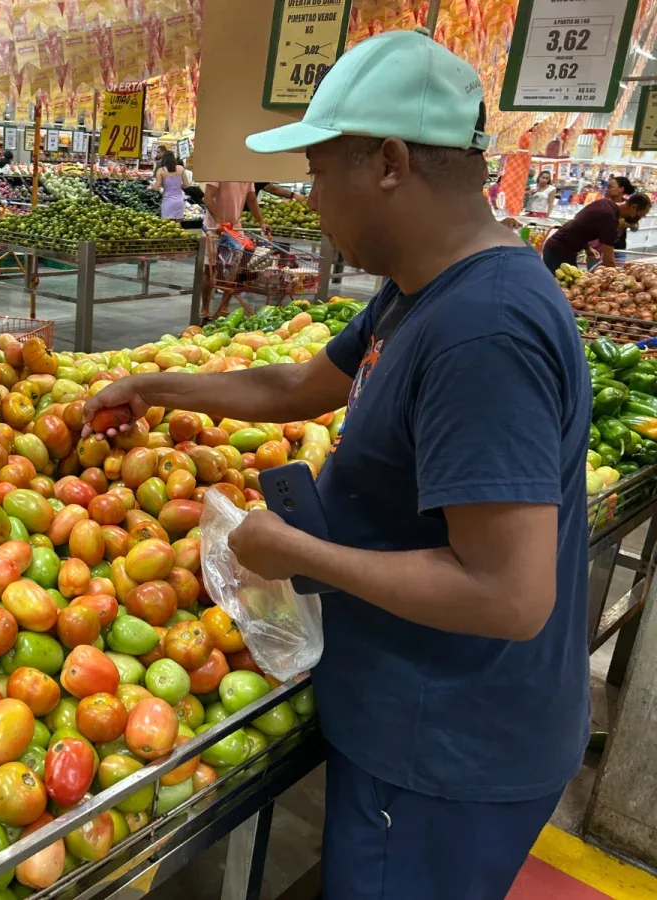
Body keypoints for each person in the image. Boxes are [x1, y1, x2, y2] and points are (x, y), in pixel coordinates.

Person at [83, 28, 590, 899]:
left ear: (389, 162)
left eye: (319, 171)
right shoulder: (421, 289)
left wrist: (294, 552)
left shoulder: (485, 331)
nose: (310, 197)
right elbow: (298, 385)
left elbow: (510, 596)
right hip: (413, 718)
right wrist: (156, 383)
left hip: (447, 749)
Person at [542, 190, 650, 272]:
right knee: (561, 288)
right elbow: (609, 259)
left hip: (561, 247)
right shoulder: (610, 219)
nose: (637, 219)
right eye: (639, 215)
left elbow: (580, 224)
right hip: (559, 251)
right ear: (634, 207)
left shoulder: (605, 203)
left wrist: (587, 247)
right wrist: (619, 276)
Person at [152, 150, 190, 219]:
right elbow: (187, 185)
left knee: (167, 225)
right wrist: (177, 185)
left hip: (167, 200)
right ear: (174, 159)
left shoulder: (161, 170)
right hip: (179, 201)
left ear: (164, 159)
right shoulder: (181, 168)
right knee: (178, 225)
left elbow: (157, 188)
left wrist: (150, 188)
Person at [607, 176, 637, 252]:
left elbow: (635, 227)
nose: (607, 189)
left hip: (619, 248)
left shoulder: (629, 206)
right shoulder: (603, 204)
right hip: (600, 248)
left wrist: (625, 224)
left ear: (621, 189)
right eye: (607, 186)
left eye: (611, 187)